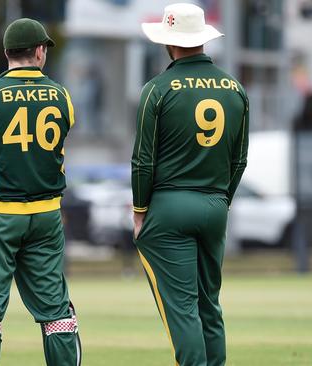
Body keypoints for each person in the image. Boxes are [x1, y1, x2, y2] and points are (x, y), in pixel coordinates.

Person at [0, 18, 82, 366]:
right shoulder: (62, 96)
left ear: (6, 52)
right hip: (47, 215)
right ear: (39, 51)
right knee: (57, 313)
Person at [131, 3, 249, 365]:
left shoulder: (157, 88)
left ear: (169, 43)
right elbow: (239, 160)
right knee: (208, 304)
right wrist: (222, 201)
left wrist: (139, 212)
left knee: (182, 309)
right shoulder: (235, 89)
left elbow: (143, 161)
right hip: (215, 206)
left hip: (169, 208)